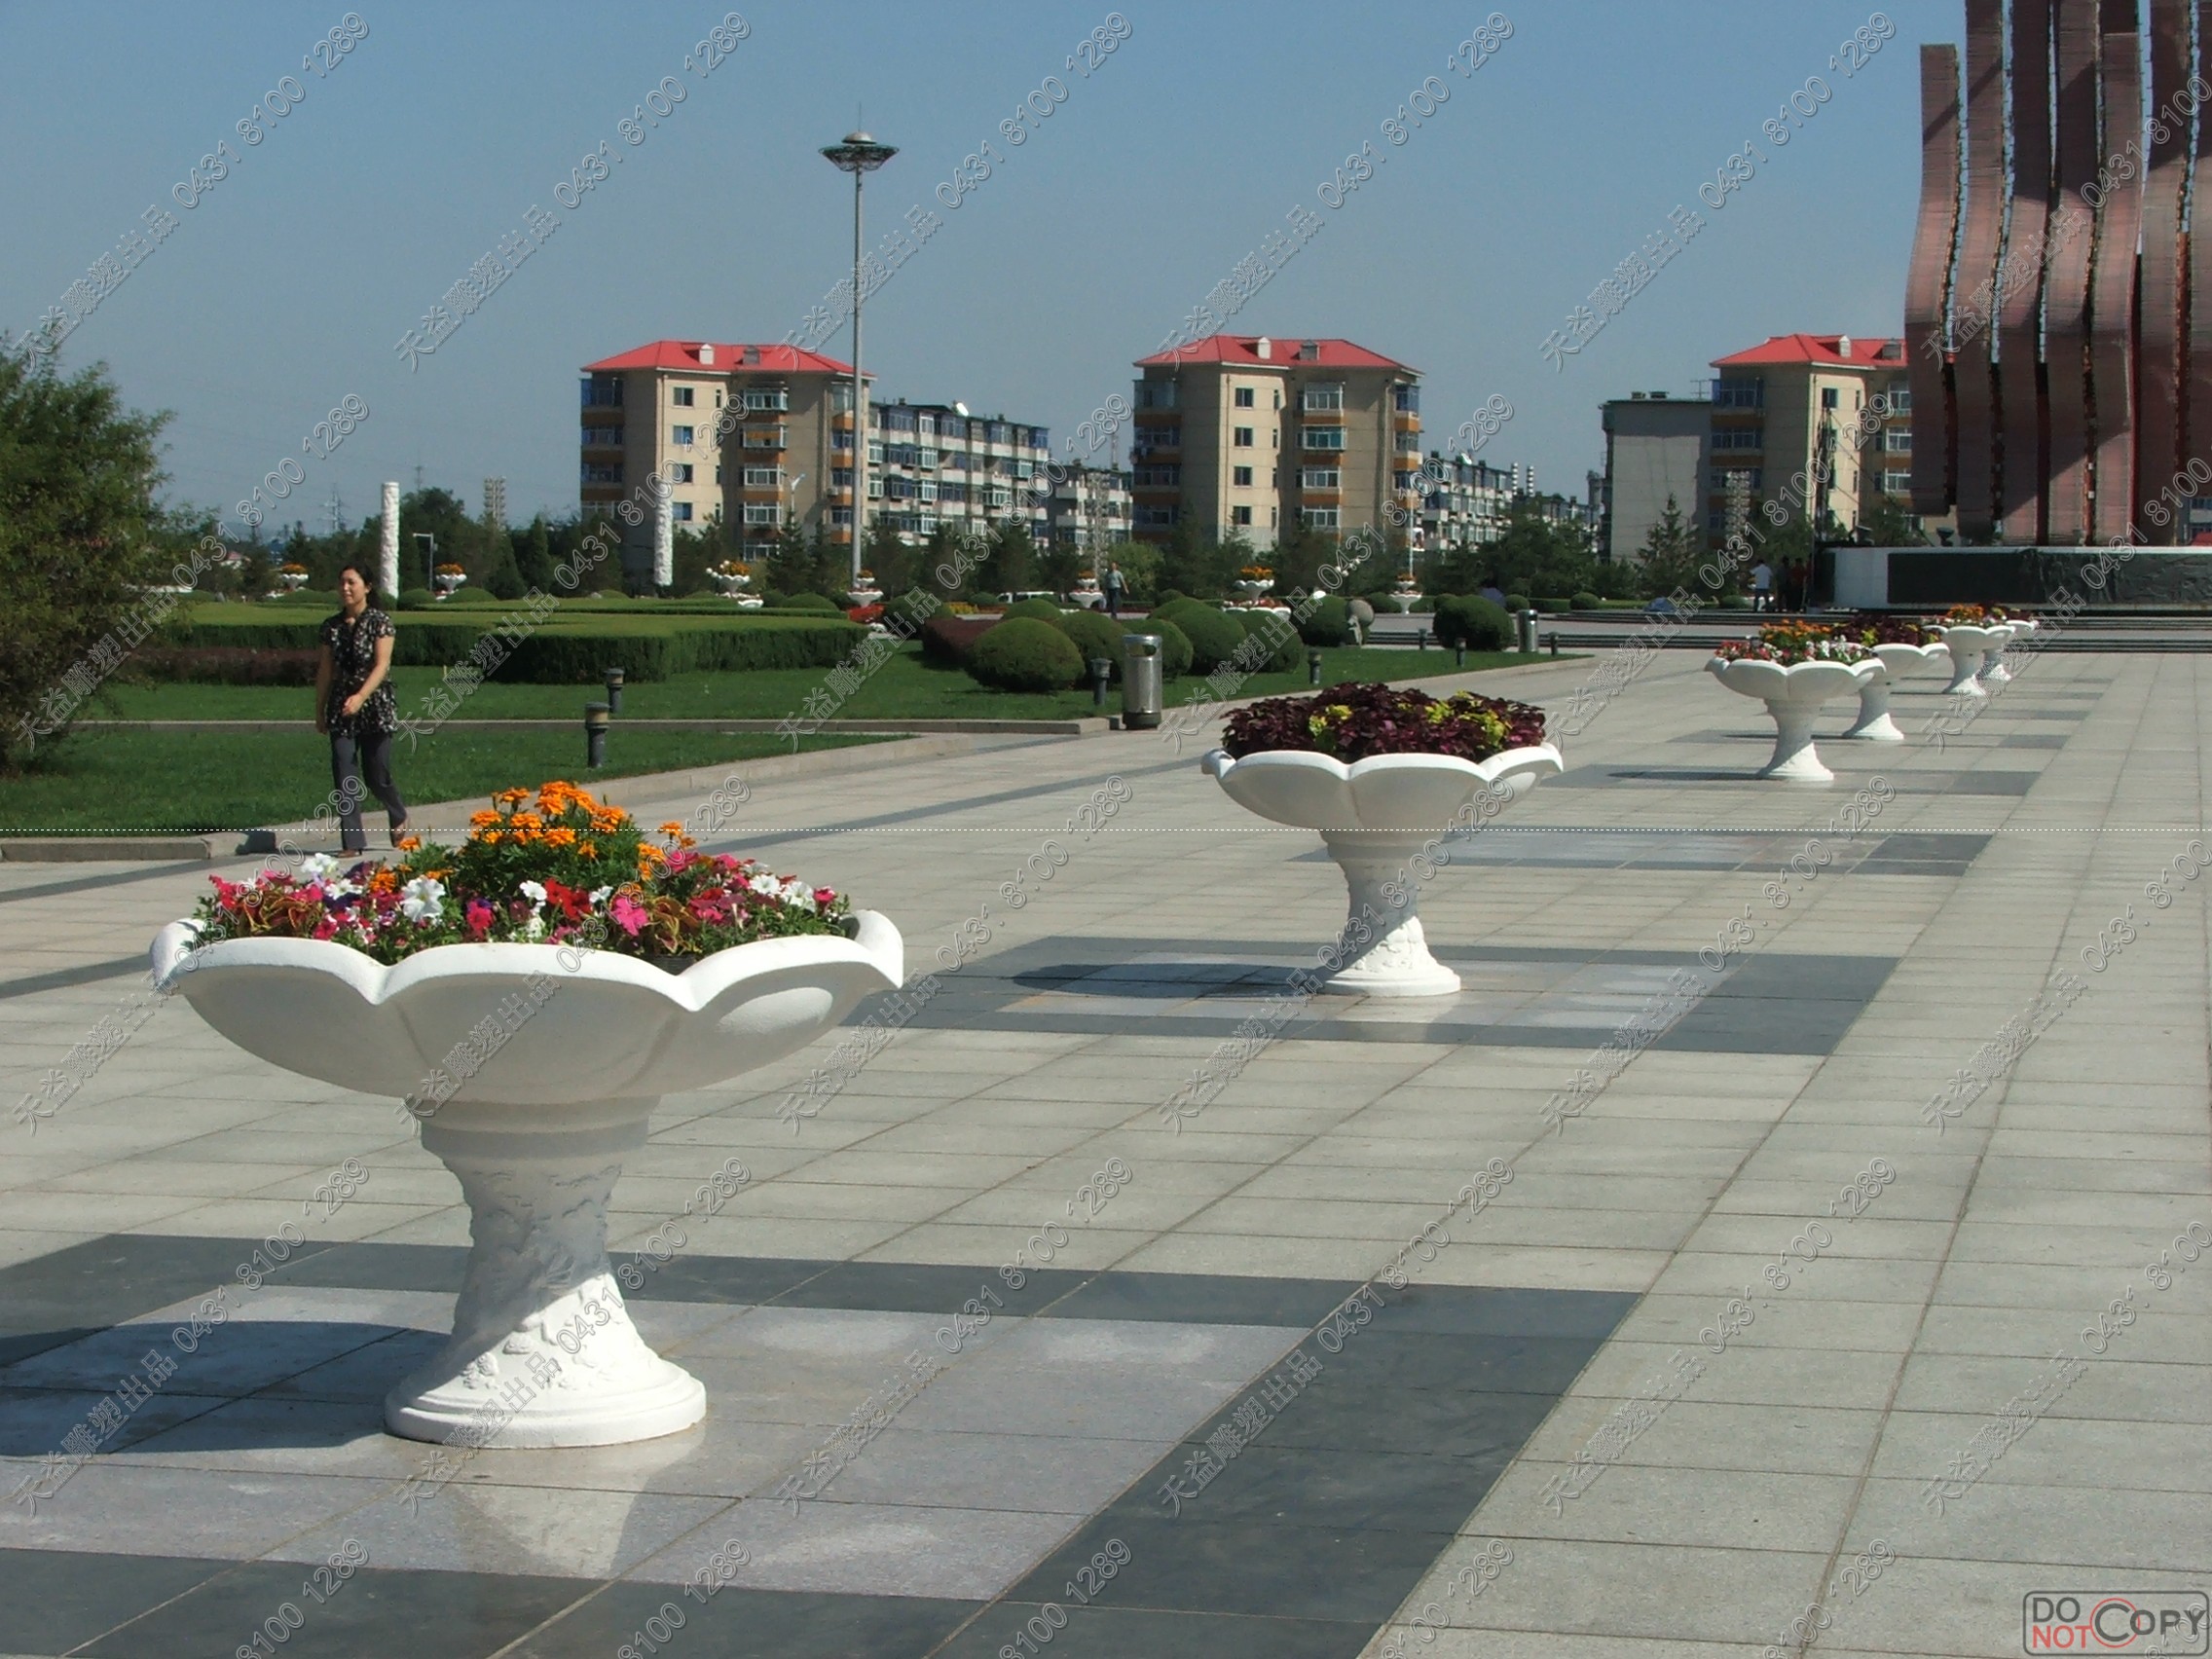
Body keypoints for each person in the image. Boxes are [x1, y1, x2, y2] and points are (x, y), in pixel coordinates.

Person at [316, 562, 409, 852]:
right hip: (341, 707)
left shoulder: (380, 622)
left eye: (351, 582)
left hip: (375, 706)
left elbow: (382, 665)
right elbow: (325, 671)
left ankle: (397, 812)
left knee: (376, 773)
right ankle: (352, 841)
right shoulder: (331, 627)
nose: (345, 588)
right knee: (344, 770)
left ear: (367, 587)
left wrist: (361, 697)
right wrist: (319, 709)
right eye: (342, 582)